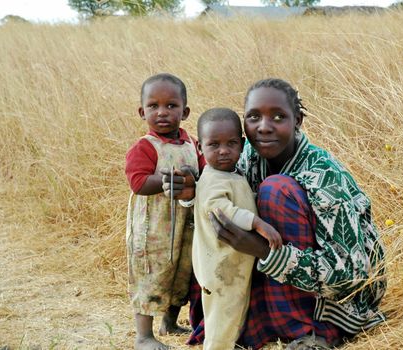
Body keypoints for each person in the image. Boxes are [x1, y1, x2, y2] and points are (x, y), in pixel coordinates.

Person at [185, 78, 387, 349]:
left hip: (344, 296)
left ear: (298, 121)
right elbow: (216, 196)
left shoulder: (323, 174)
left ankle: (310, 331)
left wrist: (265, 251)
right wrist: (190, 194)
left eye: (278, 117)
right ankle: (265, 318)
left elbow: (351, 276)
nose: (264, 127)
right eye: (254, 117)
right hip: (286, 274)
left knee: (276, 191)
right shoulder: (244, 157)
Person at [125, 73, 204, 350]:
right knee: (151, 275)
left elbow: (204, 173)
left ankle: (169, 322)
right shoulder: (145, 146)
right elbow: (138, 182)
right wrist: (167, 180)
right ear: (141, 111)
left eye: (171, 106)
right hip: (153, 230)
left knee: (182, 271)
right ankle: (143, 336)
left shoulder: (193, 144)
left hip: (186, 225)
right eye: (153, 106)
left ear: (185, 112)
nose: (162, 112)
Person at [192, 107, 282, 350]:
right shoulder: (211, 179)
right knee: (223, 319)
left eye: (231, 143)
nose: (223, 151)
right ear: (200, 147)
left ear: (242, 145)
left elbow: (241, 200)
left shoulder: (231, 173)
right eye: (213, 145)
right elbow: (222, 210)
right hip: (221, 267)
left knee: (235, 313)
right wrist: (258, 223)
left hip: (233, 265)